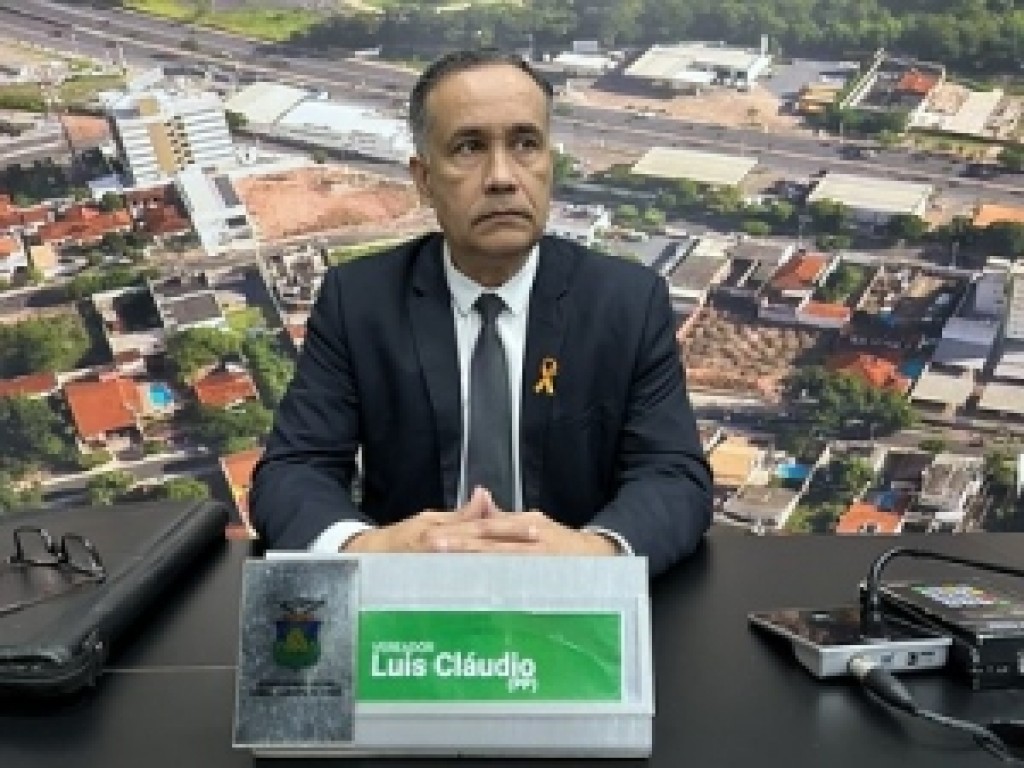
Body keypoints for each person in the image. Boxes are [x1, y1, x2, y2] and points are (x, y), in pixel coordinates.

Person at [249, 49, 712, 577]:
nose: (502, 178)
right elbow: (293, 472)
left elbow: (673, 476)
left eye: (525, 144)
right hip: (413, 599)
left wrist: (594, 555)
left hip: (570, 601)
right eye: (469, 147)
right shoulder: (358, 301)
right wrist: (371, 548)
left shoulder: (626, 302)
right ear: (424, 179)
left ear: (550, 164)